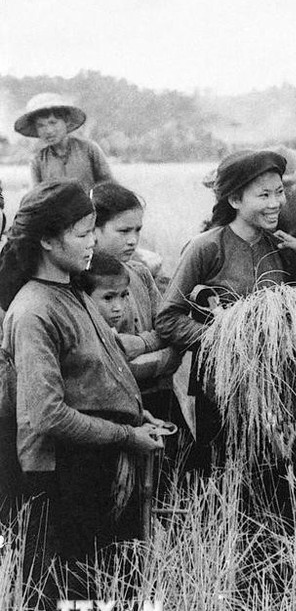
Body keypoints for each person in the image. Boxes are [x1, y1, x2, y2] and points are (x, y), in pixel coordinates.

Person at [0, 180, 163, 601]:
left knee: (112, 588)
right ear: (48, 240)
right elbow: (47, 414)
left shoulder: (75, 292)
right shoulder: (35, 309)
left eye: (93, 229)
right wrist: (127, 435)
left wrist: (135, 414)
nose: (93, 241)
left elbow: (98, 374)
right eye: (82, 232)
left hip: (97, 464)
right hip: (65, 476)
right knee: (76, 591)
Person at [155, 150, 296, 532]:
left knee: (278, 481)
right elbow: (168, 317)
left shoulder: (281, 247)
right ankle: (225, 570)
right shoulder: (207, 246)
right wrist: (224, 340)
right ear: (234, 200)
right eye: (263, 195)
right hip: (221, 389)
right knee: (226, 479)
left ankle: (279, 568)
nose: (275, 204)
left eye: (278, 193)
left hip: (275, 390)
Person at [91, 182, 182, 423]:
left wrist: (141, 344)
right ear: (94, 230)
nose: (133, 240)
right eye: (123, 231)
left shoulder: (140, 273)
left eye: (137, 231)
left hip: (161, 395)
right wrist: (162, 357)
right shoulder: (83, 283)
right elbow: (107, 364)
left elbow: (170, 330)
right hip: (114, 405)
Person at [14, 93, 115, 192]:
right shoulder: (38, 161)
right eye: (41, 125)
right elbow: (35, 198)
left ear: (66, 121)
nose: (48, 131)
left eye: (53, 122)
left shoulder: (89, 149)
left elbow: (110, 185)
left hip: (91, 207)